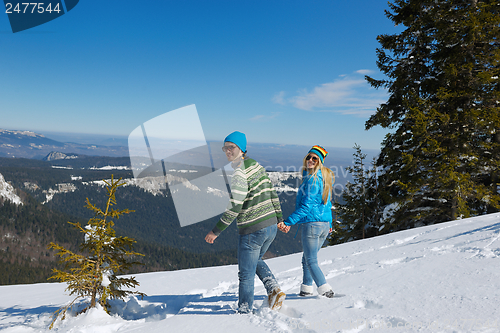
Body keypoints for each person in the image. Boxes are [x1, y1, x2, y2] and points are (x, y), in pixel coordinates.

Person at [205, 131, 286, 314]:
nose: (227, 151)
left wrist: (215, 231)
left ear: (242, 149)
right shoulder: (256, 166)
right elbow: (273, 193)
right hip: (270, 226)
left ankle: (244, 311)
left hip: (252, 230)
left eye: (231, 147)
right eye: (225, 148)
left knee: (246, 275)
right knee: (255, 261)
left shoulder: (240, 172)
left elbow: (235, 207)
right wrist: (279, 220)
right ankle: (273, 289)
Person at [278, 145, 335, 298]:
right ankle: (306, 289)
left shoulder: (312, 180)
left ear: (320, 162)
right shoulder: (325, 179)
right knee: (307, 259)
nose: (310, 160)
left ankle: (325, 290)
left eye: (314, 158)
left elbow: (306, 206)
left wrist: (289, 222)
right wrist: (330, 224)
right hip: (323, 225)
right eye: (309, 157)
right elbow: (327, 204)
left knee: (310, 260)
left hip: (312, 225)